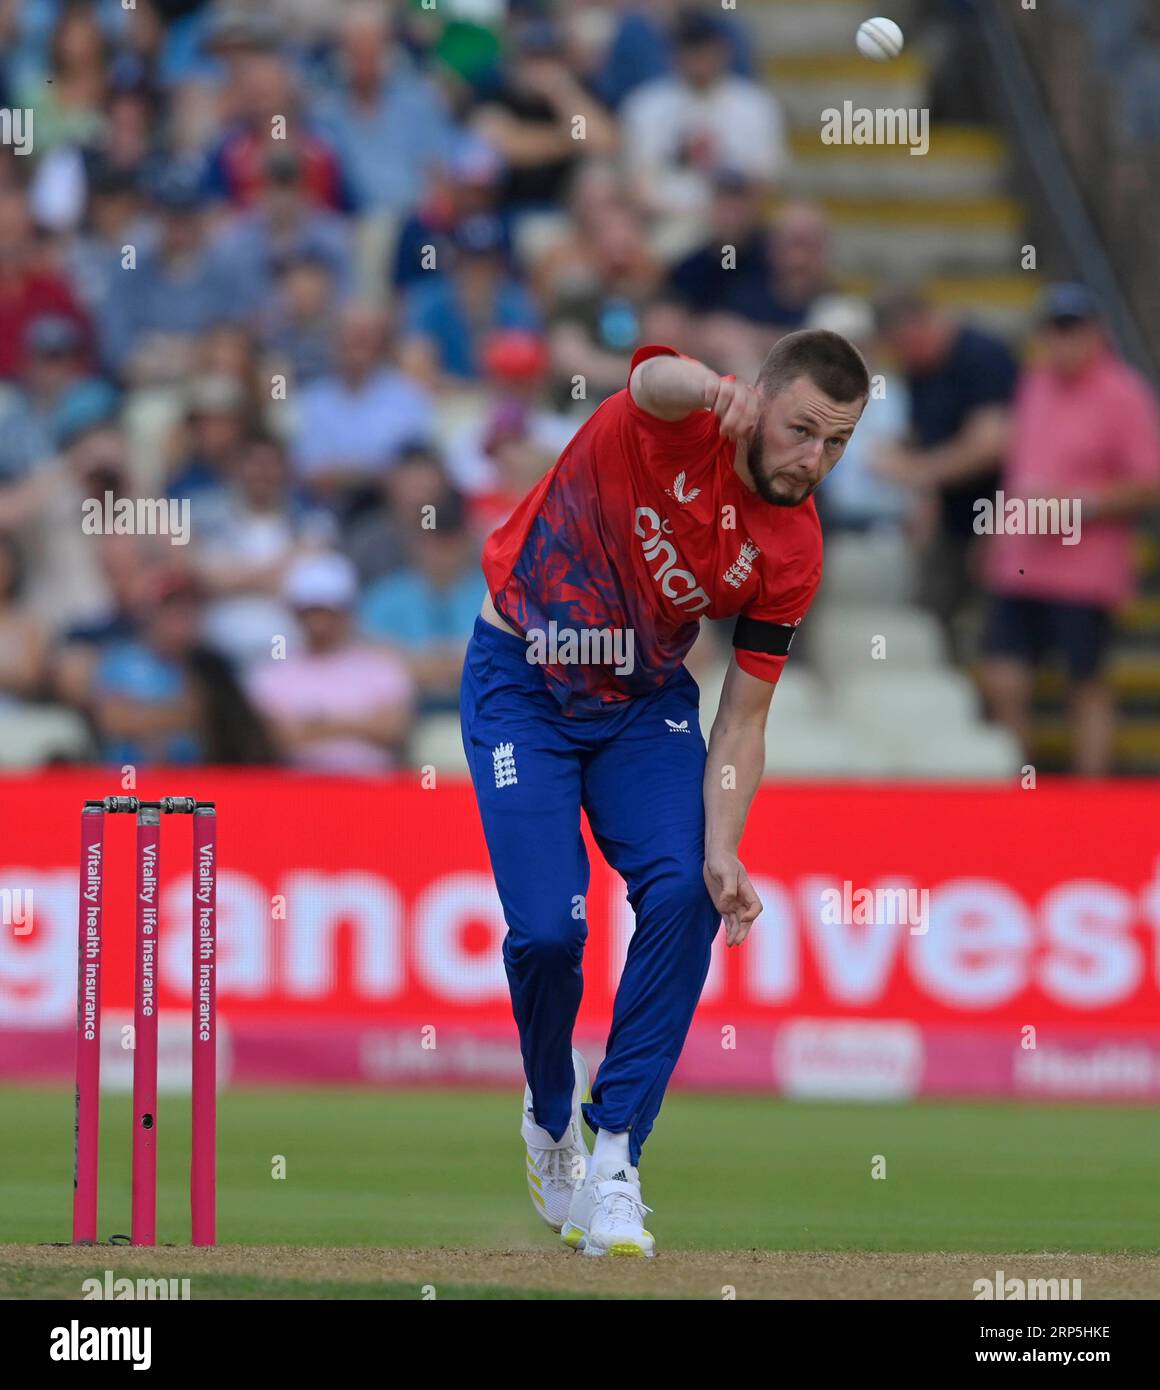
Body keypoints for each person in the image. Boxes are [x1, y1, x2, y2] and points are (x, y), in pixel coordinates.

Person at [460, 331, 869, 1254]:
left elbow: (746, 715)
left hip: (642, 706)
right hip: (524, 681)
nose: (814, 459)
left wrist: (724, 842)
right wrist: (713, 388)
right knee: (549, 933)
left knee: (687, 890)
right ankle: (550, 1111)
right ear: (757, 400)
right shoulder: (672, 421)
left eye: (836, 443)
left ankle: (615, 1159)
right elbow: (651, 377)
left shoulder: (794, 548)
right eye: (801, 429)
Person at [980, 284, 1160, 774]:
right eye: (1054, 329)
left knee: (1086, 680)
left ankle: (1090, 796)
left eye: (1072, 329)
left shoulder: (1124, 394)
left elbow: (1148, 482)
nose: (1062, 340)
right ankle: (1024, 781)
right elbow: (1020, 469)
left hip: (1085, 569)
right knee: (1002, 675)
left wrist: (1078, 503)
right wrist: (1000, 536)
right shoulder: (1035, 383)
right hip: (1024, 561)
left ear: (1096, 334)